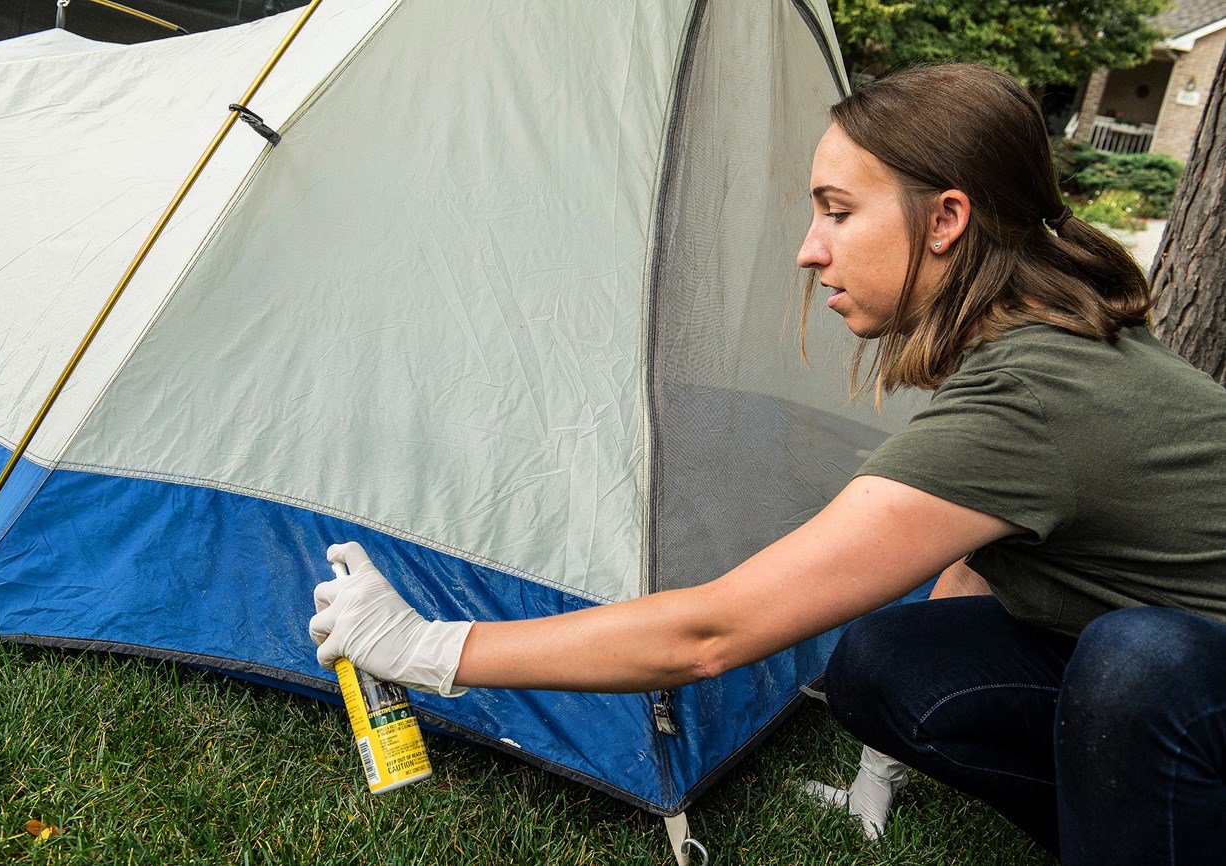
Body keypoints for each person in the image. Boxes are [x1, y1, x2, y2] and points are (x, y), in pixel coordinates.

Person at [309, 63, 1226, 863]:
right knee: (882, 663)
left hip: (1181, 674)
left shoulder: (1033, 393)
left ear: (947, 219)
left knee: (1138, 663)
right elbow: (980, 547)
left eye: (838, 211)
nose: (808, 249)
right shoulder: (1033, 346)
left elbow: (709, 633)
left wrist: (427, 648)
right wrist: (891, 751)